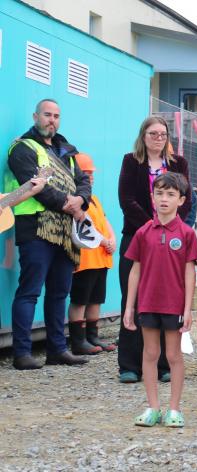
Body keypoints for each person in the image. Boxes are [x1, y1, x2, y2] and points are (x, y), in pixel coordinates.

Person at [7, 98, 92, 370]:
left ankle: (57, 349)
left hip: (65, 232)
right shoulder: (22, 148)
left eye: (56, 115)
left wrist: (81, 200)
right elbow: (34, 186)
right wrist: (69, 203)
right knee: (29, 291)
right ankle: (22, 353)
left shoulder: (66, 149)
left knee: (58, 293)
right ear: (36, 116)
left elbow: (83, 182)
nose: (51, 120)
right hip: (36, 227)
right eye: (47, 114)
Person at [117, 116, 193, 382]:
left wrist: (169, 225)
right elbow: (125, 199)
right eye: (152, 133)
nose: (158, 138)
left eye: (162, 134)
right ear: (143, 135)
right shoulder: (131, 161)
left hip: (171, 238)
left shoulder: (178, 164)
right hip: (137, 235)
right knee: (134, 295)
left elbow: (186, 198)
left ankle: (164, 365)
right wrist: (151, 226)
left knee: (166, 297)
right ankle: (129, 364)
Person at [122, 172, 197, 427]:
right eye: (159, 193)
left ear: (181, 200)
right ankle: (153, 407)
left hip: (174, 305)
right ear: (152, 197)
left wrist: (188, 308)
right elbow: (135, 270)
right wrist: (129, 306)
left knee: (174, 356)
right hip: (148, 303)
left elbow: (190, 272)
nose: (164, 199)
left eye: (170, 194)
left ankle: (174, 408)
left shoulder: (187, 234)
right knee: (150, 353)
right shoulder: (143, 232)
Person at [68, 153, 117, 355]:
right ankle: (78, 341)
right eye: (86, 173)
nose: (91, 177)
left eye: (91, 173)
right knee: (80, 299)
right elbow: (84, 227)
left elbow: (104, 222)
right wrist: (105, 241)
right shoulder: (74, 200)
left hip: (102, 258)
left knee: (96, 299)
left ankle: (93, 337)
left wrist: (112, 239)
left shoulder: (94, 199)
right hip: (85, 259)